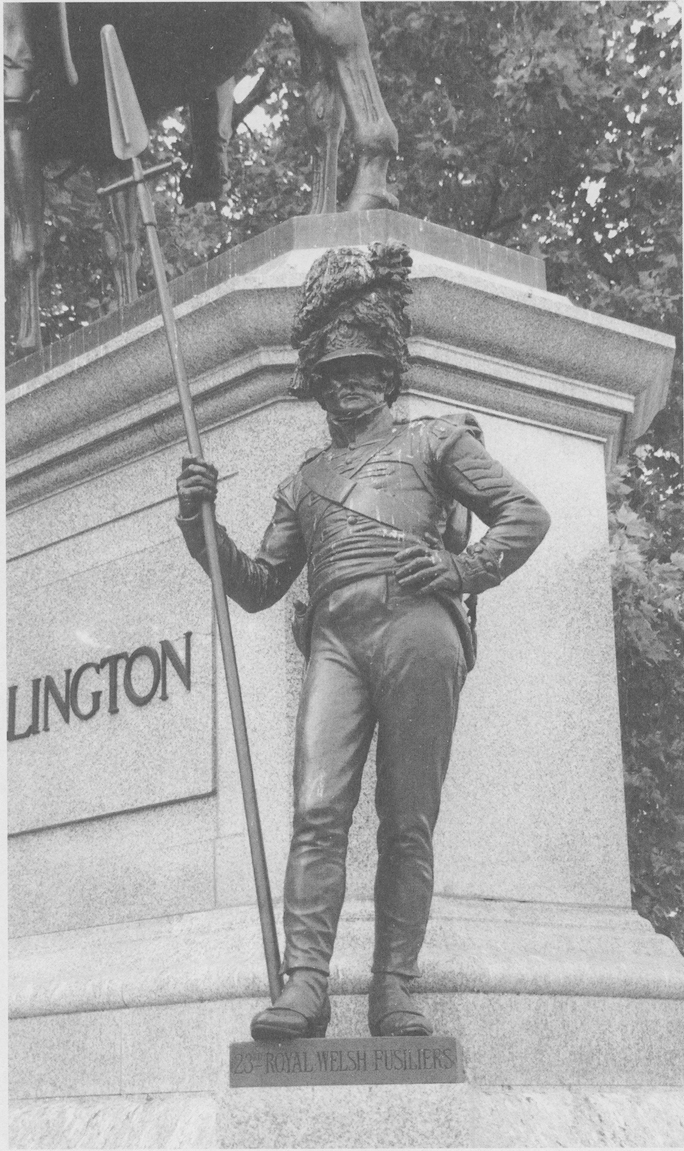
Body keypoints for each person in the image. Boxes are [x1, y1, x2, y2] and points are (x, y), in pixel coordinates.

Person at [176, 242, 551, 1041]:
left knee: (407, 816)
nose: (351, 381)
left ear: (390, 373)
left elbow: (525, 514)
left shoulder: (437, 442)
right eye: (336, 370)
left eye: (366, 367)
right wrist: (198, 524)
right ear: (316, 383)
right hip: (337, 639)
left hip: (420, 625)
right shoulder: (304, 480)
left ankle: (394, 988)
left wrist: (461, 569)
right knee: (317, 807)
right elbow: (255, 583)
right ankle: (307, 984)